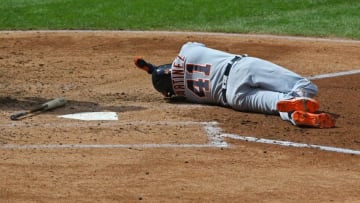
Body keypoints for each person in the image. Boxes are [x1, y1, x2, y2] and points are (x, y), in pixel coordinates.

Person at [134, 42, 335, 128]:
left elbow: (170, 83)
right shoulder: (187, 50)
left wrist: (153, 73)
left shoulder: (184, 94)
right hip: (241, 70)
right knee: (308, 87)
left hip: (234, 98)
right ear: (167, 68)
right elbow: (194, 49)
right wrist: (149, 67)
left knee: (277, 103)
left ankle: (293, 114)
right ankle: (298, 96)